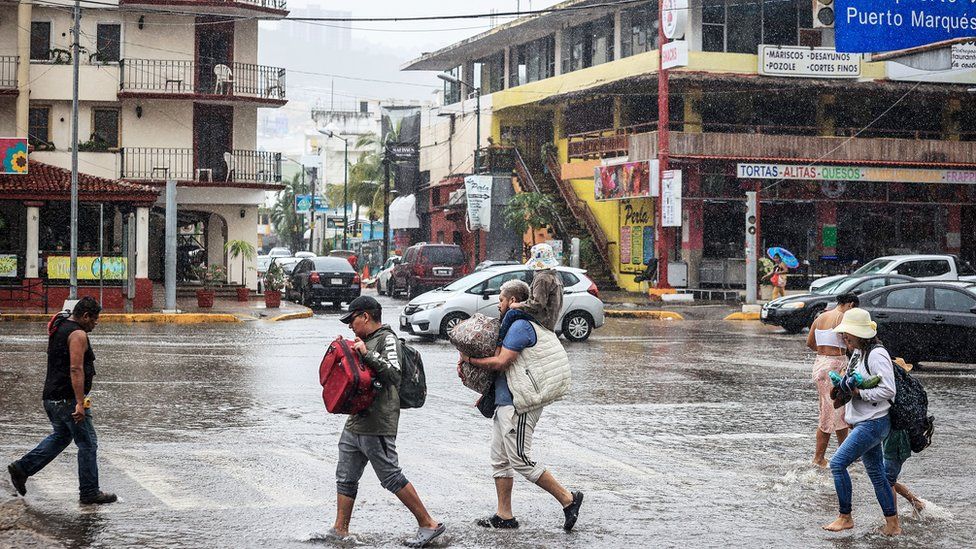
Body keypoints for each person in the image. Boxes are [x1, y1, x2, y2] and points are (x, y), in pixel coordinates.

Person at [461, 279, 583, 532]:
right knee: (499, 460)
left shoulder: (520, 326)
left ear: (513, 301)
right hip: (504, 402)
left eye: (502, 299)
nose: (499, 304)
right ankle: (504, 515)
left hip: (520, 405)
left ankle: (568, 499)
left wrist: (471, 359)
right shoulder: (513, 324)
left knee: (520, 459)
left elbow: (501, 362)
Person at [329, 296, 445, 548]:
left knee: (390, 476)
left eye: (352, 320)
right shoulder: (366, 340)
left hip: (378, 422)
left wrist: (367, 353)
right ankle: (340, 529)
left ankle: (428, 523)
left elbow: (393, 373)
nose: (350, 325)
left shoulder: (387, 339)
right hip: (356, 420)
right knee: (345, 476)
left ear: (365, 317)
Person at [7, 297, 117, 505]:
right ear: (85, 316)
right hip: (67, 399)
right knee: (88, 443)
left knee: (62, 436)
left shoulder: (61, 326)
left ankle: (22, 468)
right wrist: (79, 402)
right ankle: (89, 492)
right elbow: (75, 369)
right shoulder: (78, 334)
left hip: (51, 396)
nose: (96, 323)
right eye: (94, 319)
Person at [823, 308, 901, 536]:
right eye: (844, 334)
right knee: (877, 474)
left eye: (848, 334)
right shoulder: (858, 353)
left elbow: (888, 389)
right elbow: (851, 384)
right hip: (864, 421)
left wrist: (860, 394)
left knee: (837, 464)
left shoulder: (877, 354)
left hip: (875, 422)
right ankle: (893, 525)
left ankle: (845, 517)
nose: (845, 337)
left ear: (861, 334)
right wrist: (849, 410)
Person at [805, 293, 858, 467]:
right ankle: (819, 458)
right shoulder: (843, 318)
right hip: (835, 367)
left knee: (838, 412)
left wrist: (824, 349)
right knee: (829, 414)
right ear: (850, 305)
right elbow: (851, 343)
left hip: (820, 364)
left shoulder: (821, 317)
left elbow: (810, 343)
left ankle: (846, 452)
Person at [883, 359, 926, 515]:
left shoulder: (897, 394)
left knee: (887, 480)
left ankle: (892, 518)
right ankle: (916, 502)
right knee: (887, 477)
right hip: (896, 439)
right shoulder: (906, 392)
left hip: (897, 440)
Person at [508, 243, 563, 333]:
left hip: (542, 321)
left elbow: (537, 304)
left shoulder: (542, 278)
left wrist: (518, 305)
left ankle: (500, 342)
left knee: (511, 313)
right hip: (550, 320)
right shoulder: (555, 276)